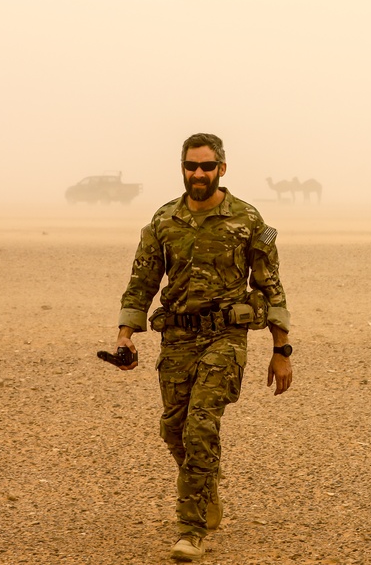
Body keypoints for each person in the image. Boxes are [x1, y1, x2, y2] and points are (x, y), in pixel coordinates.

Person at [107, 133, 293, 562]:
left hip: (225, 338)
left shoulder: (247, 220)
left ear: (221, 170)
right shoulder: (163, 221)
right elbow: (142, 283)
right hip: (177, 338)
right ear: (183, 169)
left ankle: (190, 530)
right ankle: (205, 487)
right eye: (191, 166)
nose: (199, 174)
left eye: (207, 166)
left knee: (200, 426)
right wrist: (125, 335)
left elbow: (271, 287)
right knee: (173, 429)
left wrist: (281, 351)